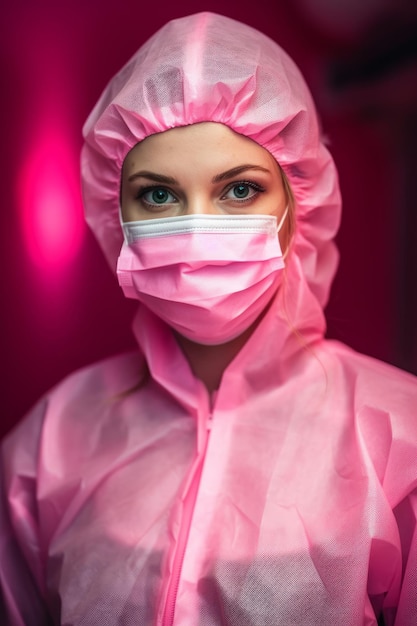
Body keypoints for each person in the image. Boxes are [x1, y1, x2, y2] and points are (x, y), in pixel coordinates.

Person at [1, 11, 416, 626]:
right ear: (116, 217)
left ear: (299, 204)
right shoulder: (51, 440)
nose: (197, 227)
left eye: (240, 190)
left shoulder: (397, 435)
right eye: (159, 194)